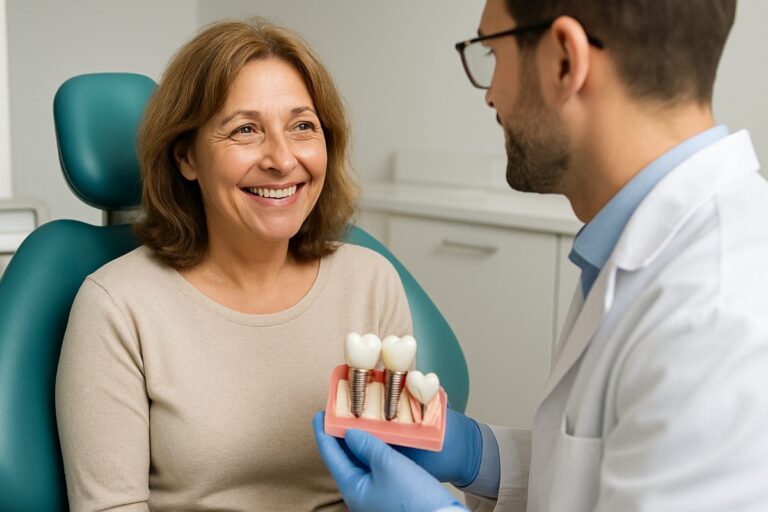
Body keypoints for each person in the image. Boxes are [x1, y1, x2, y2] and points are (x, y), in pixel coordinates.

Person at [314, 0, 768, 510]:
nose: (489, 95)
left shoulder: (720, 315)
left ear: (564, 61)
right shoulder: (642, 244)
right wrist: (483, 458)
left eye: (491, 53)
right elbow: (614, 462)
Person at [55, 18, 412, 511]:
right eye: (245, 130)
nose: (282, 159)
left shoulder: (370, 282)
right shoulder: (118, 306)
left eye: (302, 126)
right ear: (187, 158)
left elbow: (402, 478)